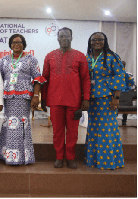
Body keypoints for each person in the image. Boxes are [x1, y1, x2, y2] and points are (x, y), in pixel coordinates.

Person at [41, 27, 90, 169]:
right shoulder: (50, 56)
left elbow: (86, 79)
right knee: (57, 131)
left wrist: (85, 98)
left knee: (73, 132)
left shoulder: (80, 56)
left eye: (67, 36)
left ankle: (70, 157)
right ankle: (59, 157)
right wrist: (43, 99)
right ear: (57, 38)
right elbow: (45, 78)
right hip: (55, 101)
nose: (64, 39)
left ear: (71, 37)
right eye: (61, 36)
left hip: (74, 101)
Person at [85, 32, 133, 169]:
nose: (97, 42)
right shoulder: (87, 58)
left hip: (107, 98)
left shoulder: (112, 57)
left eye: (100, 39)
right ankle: (94, 160)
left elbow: (120, 76)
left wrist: (116, 98)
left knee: (106, 128)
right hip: (92, 99)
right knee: (94, 128)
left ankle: (110, 161)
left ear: (105, 41)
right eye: (94, 40)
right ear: (90, 42)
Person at [0, 34, 46, 166]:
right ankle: (8, 155)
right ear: (10, 45)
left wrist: (36, 96)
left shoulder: (31, 59)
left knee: (21, 125)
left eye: (19, 42)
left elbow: (37, 79)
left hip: (23, 98)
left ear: (24, 44)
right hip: (8, 97)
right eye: (13, 42)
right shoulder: (5, 60)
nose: (16, 44)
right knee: (9, 124)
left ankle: (21, 156)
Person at [120, 61, 136, 126]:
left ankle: (121, 120)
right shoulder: (128, 74)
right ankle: (124, 120)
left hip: (122, 93)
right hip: (125, 93)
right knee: (126, 101)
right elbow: (132, 84)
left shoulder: (116, 74)